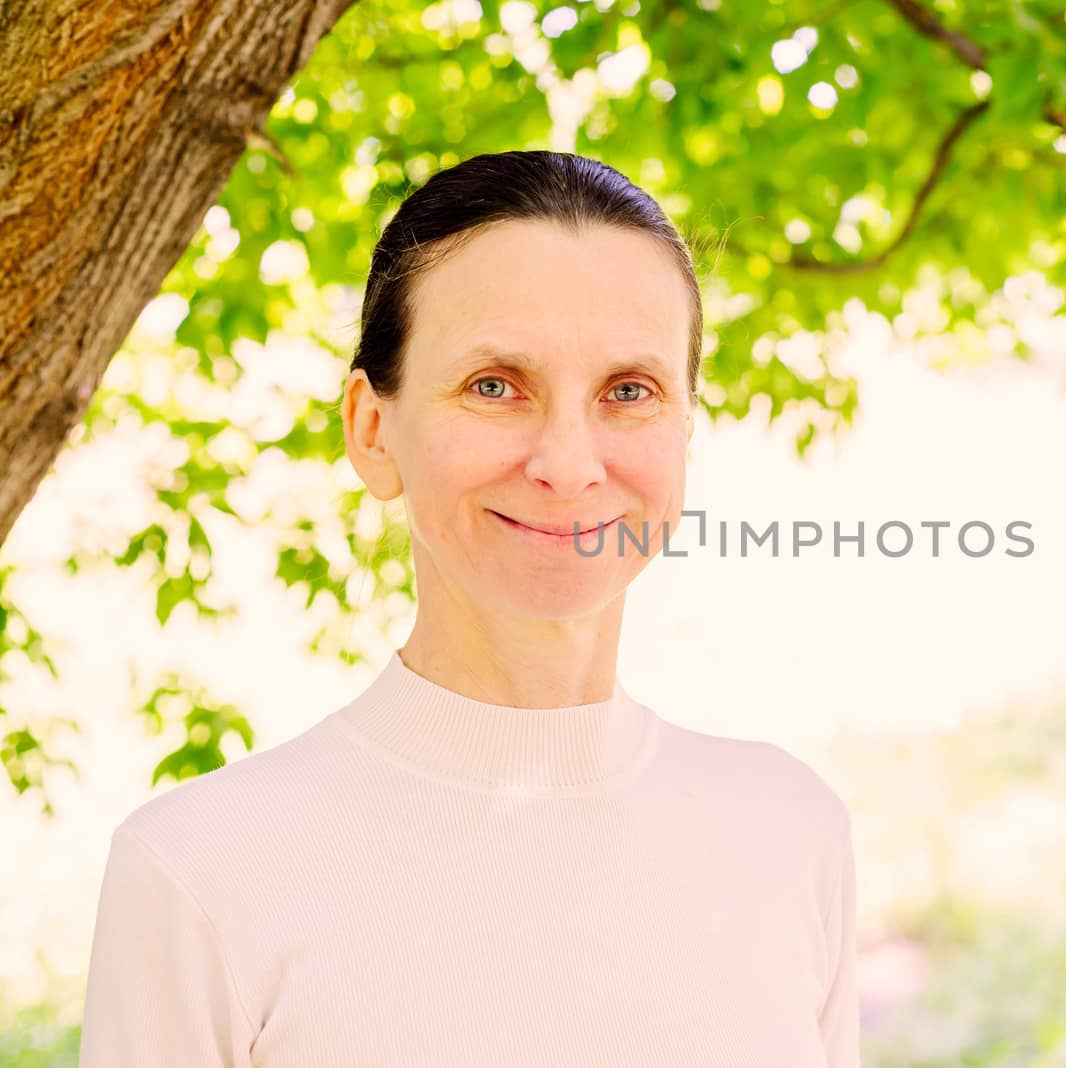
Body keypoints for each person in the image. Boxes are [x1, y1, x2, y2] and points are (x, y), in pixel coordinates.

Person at [77, 151, 861, 1068]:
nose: (568, 464)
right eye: (495, 385)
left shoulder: (789, 832)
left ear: (685, 427)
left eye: (628, 391)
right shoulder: (198, 875)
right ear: (373, 432)